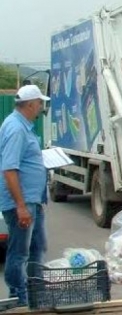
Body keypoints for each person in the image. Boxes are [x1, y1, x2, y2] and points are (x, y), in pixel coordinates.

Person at [0, 85, 50, 306]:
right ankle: (19, 294)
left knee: (37, 246)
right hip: (21, 203)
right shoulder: (16, 129)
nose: (41, 107)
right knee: (19, 252)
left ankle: (35, 291)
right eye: (40, 103)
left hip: (32, 201)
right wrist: (20, 206)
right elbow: (9, 169)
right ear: (30, 104)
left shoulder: (24, 126)